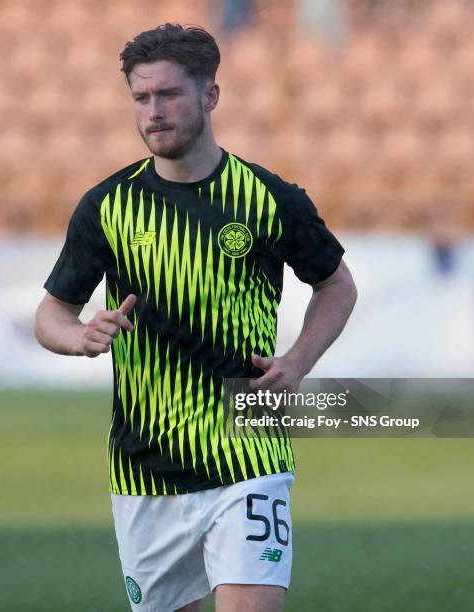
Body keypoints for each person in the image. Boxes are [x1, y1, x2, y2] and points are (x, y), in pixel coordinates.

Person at [35, 23, 357, 612]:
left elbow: (336, 285)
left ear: (210, 95)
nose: (153, 112)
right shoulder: (107, 206)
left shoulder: (269, 199)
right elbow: (51, 312)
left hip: (248, 451)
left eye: (168, 95)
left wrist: (298, 363)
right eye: (140, 97)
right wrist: (80, 336)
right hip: (144, 467)